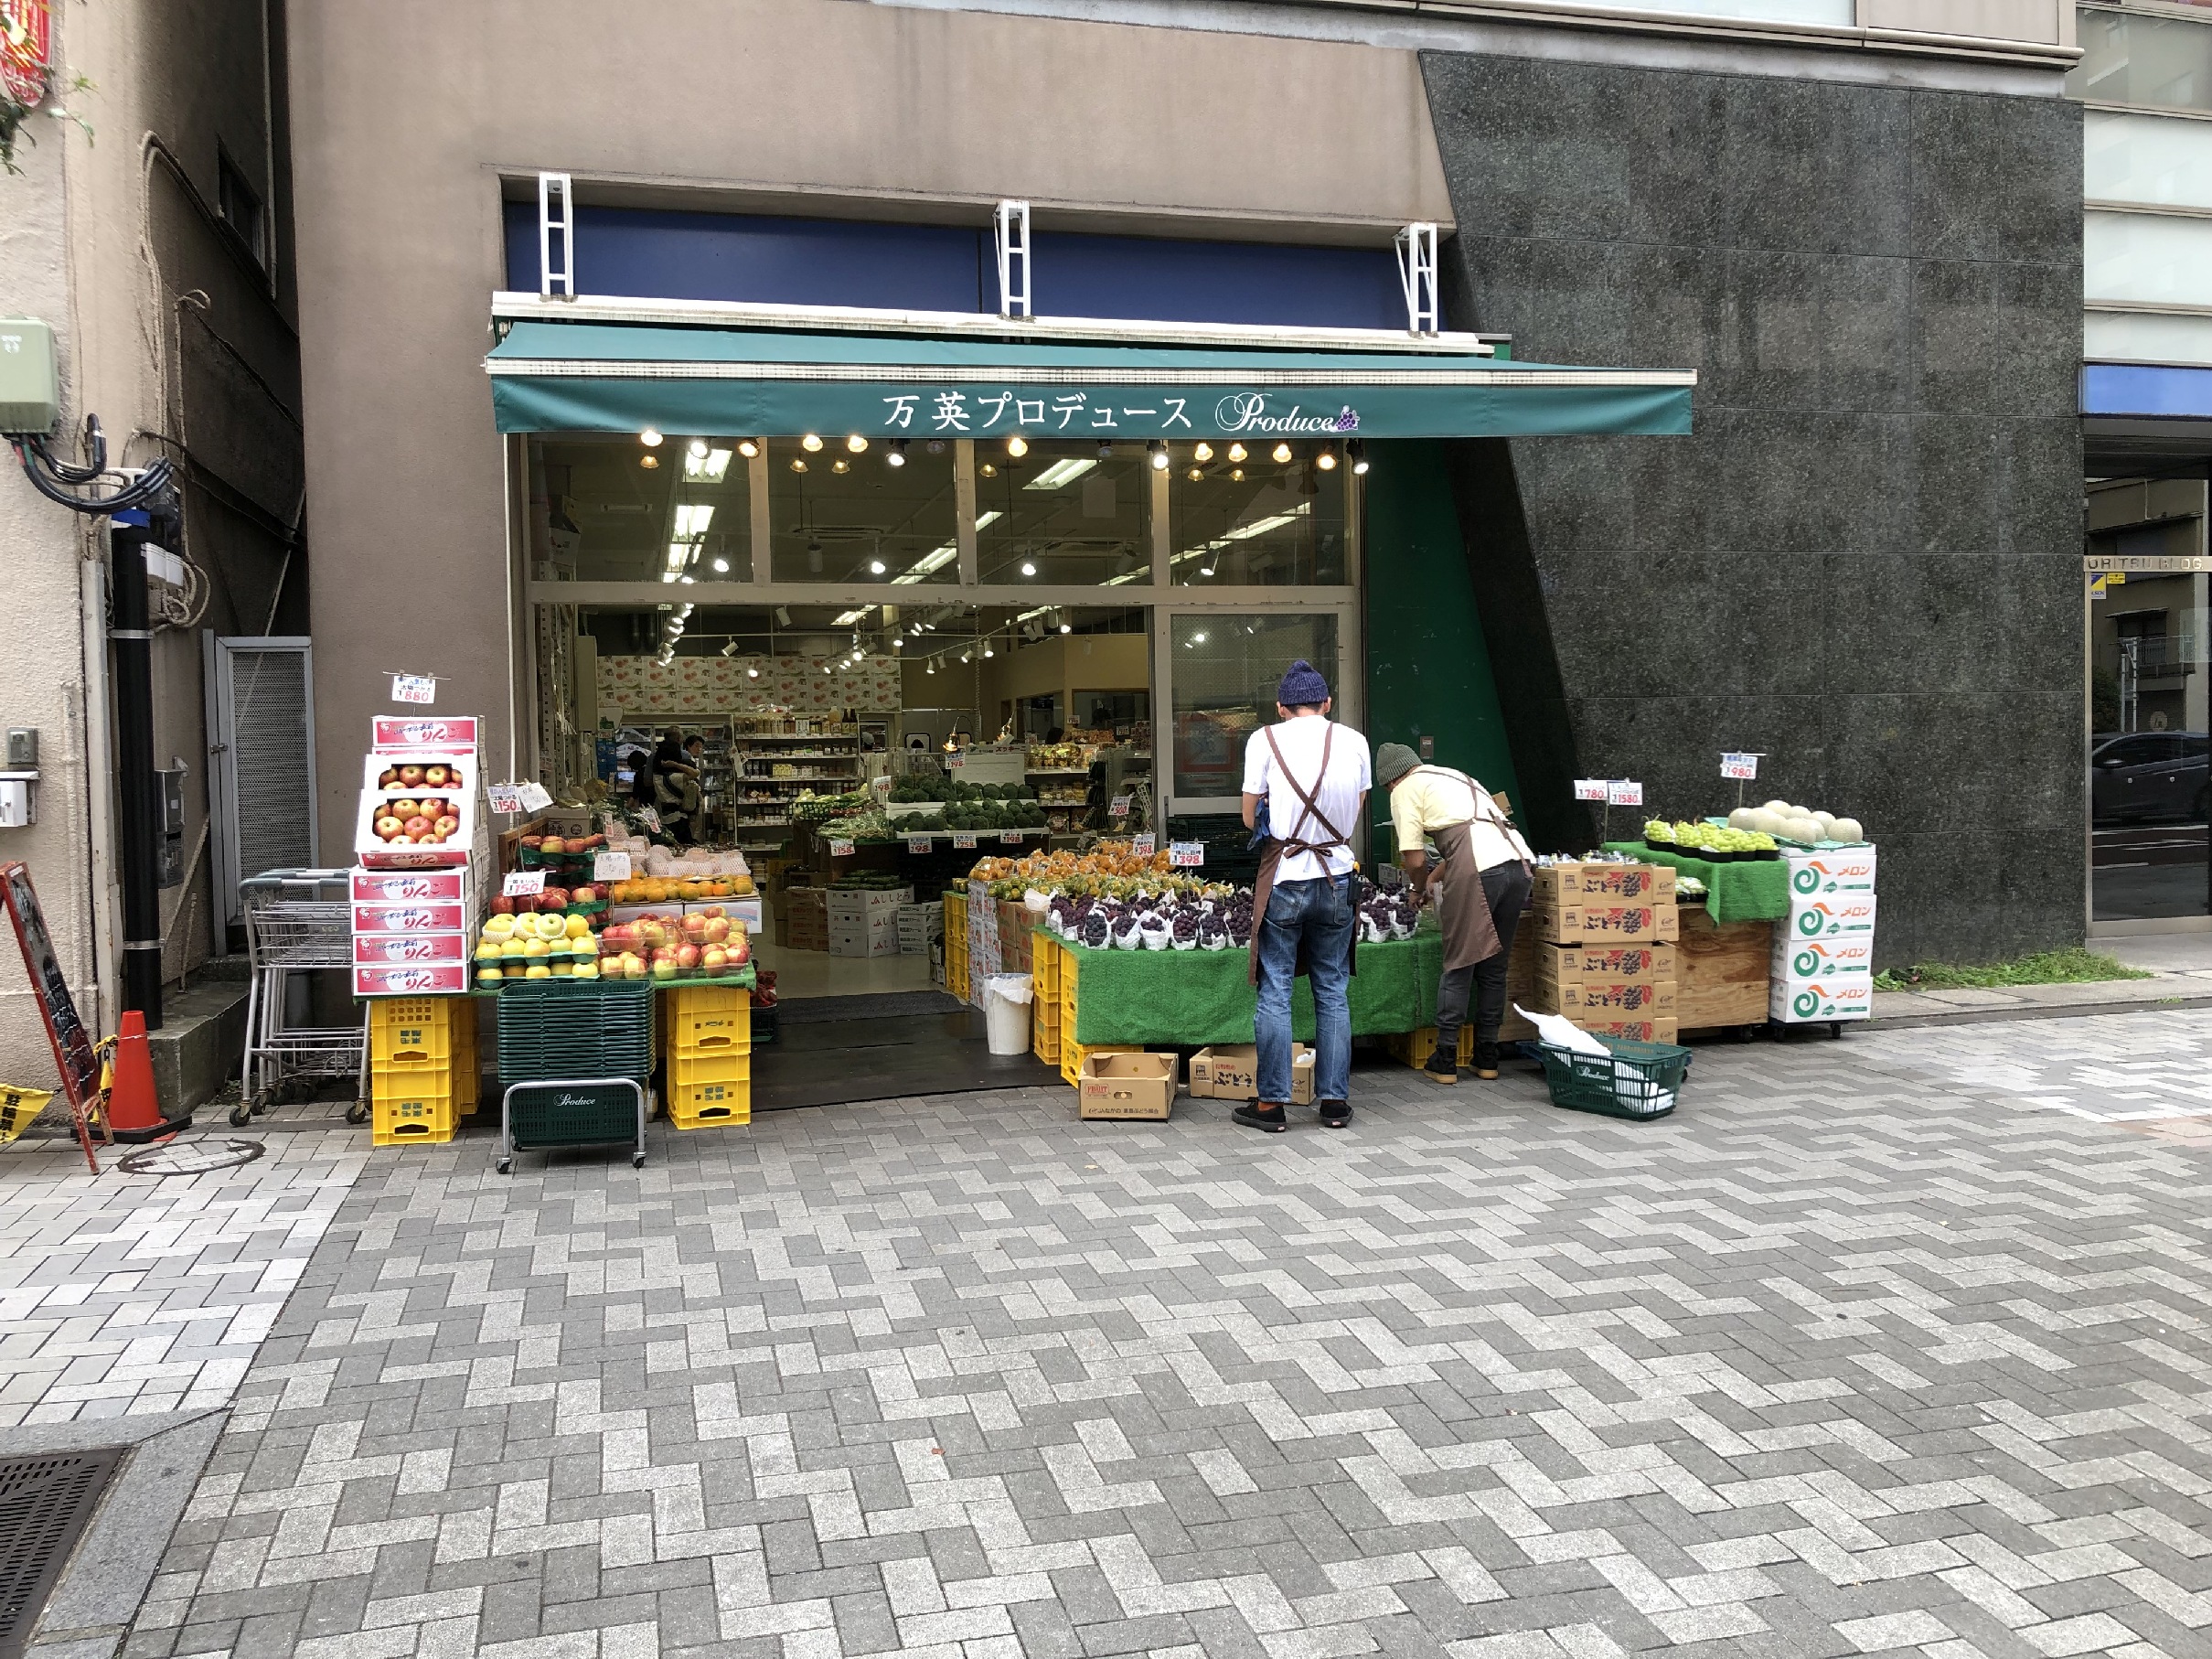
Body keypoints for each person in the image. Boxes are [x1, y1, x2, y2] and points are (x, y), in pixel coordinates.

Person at [1237, 659, 1370, 1132]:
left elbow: (1249, 817)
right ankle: (1334, 1102)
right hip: (1337, 874)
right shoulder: (1354, 741)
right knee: (1332, 990)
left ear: (1281, 707)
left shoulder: (1264, 740)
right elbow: (1355, 807)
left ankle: (1271, 1105)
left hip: (1286, 875)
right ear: (1327, 703)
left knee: (1276, 989)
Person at [1373, 743, 1533, 1083]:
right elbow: (1470, 835)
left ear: (1390, 780)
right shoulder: (1455, 776)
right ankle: (1487, 1057)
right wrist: (1433, 879)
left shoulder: (1404, 789)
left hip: (1480, 869)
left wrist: (1417, 887)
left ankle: (1445, 1057)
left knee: (1459, 962)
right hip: (1518, 865)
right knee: (1494, 967)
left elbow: (1414, 856)